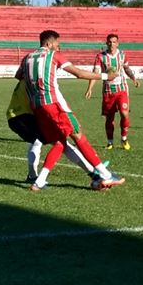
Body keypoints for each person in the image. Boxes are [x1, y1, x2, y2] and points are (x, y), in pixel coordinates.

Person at [17, 30, 125, 192]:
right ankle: (106, 175)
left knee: (60, 142)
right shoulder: (53, 55)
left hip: (37, 107)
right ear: (48, 43)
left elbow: (18, 75)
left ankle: (39, 182)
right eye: (56, 43)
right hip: (55, 105)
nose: (58, 46)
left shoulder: (27, 58)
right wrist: (106, 77)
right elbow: (79, 73)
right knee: (78, 134)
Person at [6, 81, 99, 185]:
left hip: (12, 117)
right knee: (60, 143)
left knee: (37, 142)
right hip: (26, 116)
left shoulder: (25, 79)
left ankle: (32, 176)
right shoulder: (35, 82)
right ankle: (93, 173)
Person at [86, 33, 141, 150]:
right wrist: (90, 88)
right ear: (107, 43)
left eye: (114, 42)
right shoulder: (100, 56)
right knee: (109, 118)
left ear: (118, 43)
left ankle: (124, 138)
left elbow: (126, 68)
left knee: (124, 113)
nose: (112, 44)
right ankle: (110, 142)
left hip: (122, 89)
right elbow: (95, 73)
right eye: (110, 42)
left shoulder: (122, 55)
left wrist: (134, 78)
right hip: (108, 91)